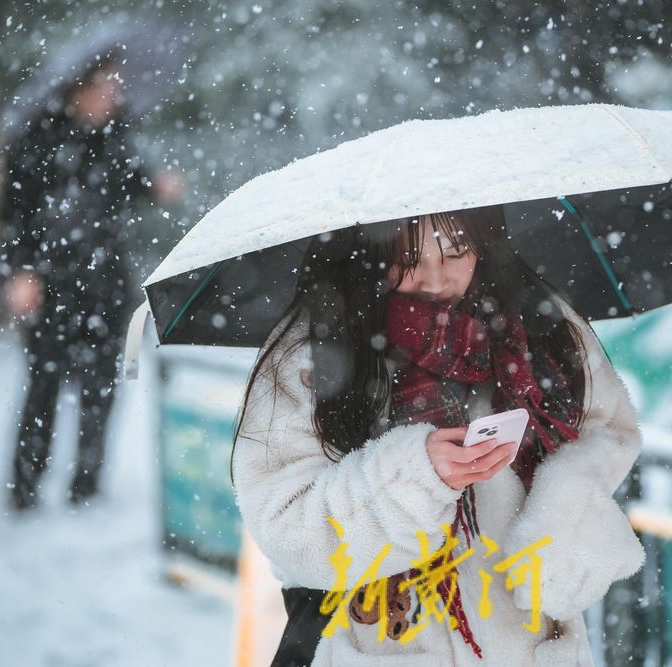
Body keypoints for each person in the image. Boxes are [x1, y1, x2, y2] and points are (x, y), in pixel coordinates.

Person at [231, 206, 645, 666]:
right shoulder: (312, 349)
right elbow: (286, 523)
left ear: (484, 245)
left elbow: (608, 436)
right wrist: (414, 478)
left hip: (531, 644)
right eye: (406, 258)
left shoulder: (541, 323)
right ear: (368, 254)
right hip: (391, 639)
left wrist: (560, 521)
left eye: (455, 252)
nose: (433, 278)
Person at [0, 50, 180, 511]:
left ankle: (87, 484)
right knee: (44, 387)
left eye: (115, 85)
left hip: (107, 284)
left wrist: (158, 186)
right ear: (76, 88)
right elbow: (13, 216)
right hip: (51, 284)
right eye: (103, 85)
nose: (111, 94)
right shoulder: (36, 142)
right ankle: (26, 488)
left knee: (101, 387)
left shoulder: (116, 137)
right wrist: (19, 270)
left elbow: (133, 184)